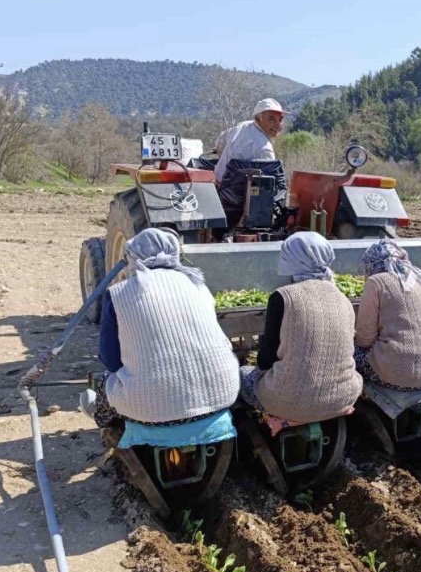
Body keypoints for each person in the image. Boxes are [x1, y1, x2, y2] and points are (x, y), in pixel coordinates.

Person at [82, 228, 240, 447]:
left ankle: (102, 417)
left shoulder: (118, 293)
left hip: (151, 412)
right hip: (223, 396)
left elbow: (110, 359)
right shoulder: (199, 285)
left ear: (132, 256)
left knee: (107, 380)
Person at [239, 232, 362, 427]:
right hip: (343, 398)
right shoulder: (343, 298)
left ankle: (262, 424)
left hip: (286, 401)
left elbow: (266, 359)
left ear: (292, 259)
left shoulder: (283, 296)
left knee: (243, 375)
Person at [354, 239, 421, 391]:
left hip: (404, 375)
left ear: (370, 263)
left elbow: (365, 339)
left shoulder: (377, 281)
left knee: (353, 353)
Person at [214, 99, 289, 228]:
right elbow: (268, 189)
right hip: (242, 202)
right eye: (271, 119)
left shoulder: (241, 126)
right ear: (258, 119)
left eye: (280, 119)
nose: (278, 125)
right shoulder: (264, 149)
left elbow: (219, 142)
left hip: (218, 190)